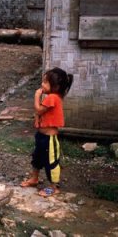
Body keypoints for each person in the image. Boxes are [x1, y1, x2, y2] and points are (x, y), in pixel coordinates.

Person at [20, 67, 73, 197]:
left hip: (49, 139)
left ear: (55, 86)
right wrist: (37, 121)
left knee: (52, 163)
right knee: (37, 158)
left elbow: (38, 110)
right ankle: (34, 179)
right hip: (41, 136)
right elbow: (42, 114)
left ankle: (54, 187)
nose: (42, 84)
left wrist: (36, 96)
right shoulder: (51, 97)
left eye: (45, 82)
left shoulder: (52, 98)